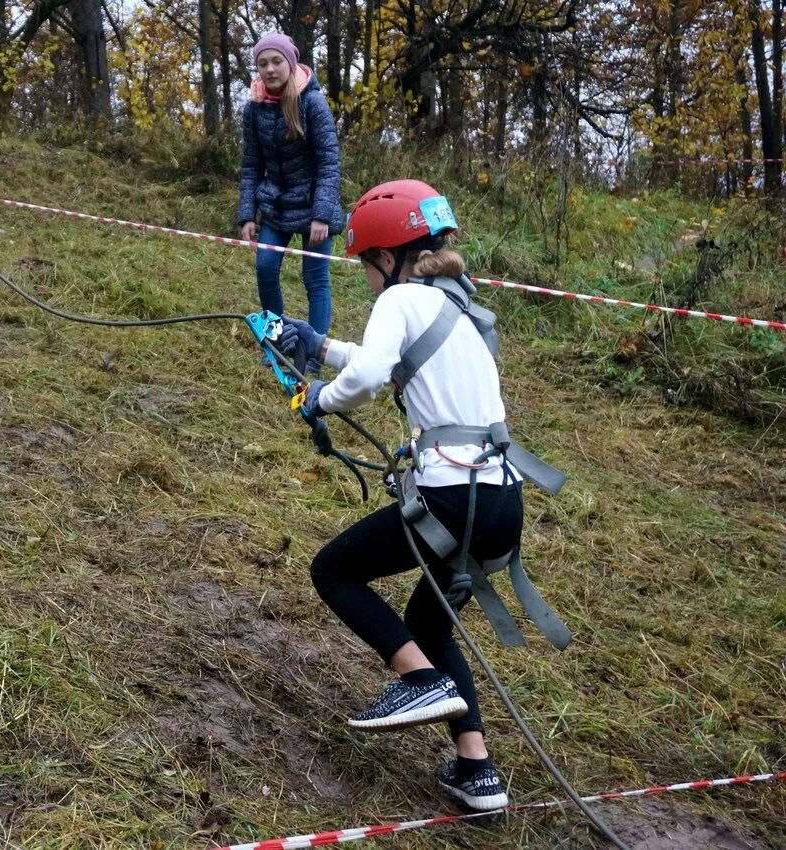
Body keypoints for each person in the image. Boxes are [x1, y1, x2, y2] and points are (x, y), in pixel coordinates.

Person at [272, 180, 521, 813]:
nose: (364, 278)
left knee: (333, 570)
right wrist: (321, 347)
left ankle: (419, 682)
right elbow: (390, 361)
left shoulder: (401, 298)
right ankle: (477, 770)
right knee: (430, 627)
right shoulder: (458, 308)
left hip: (448, 497)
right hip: (500, 503)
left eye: (365, 264)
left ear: (388, 256)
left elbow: (369, 377)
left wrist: (316, 398)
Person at [237, 33, 344, 375]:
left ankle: (313, 356)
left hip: (314, 206)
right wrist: (247, 215)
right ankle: (278, 345)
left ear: (291, 63)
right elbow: (251, 165)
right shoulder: (253, 108)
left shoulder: (312, 103)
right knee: (265, 268)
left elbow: (329, 161)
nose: (269, 69)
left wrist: (322, 215)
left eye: (276, 61)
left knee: (315, 279)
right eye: (262, 63)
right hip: (274, 206)